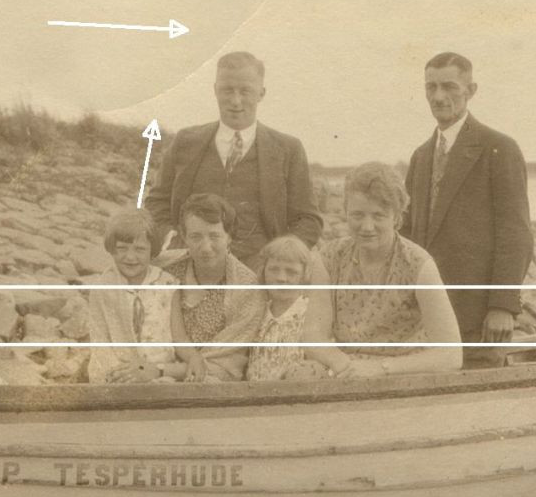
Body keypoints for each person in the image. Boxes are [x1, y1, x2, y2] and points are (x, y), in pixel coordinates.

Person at [400, 51, 534, 346]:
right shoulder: (421, 157)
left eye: (449, 87)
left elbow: (516, 233)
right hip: (426, 311)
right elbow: (407, 235)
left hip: (478, 313)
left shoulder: (498, 148)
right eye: (430, 87)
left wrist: (503, 306)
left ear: (470, 91)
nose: (438, 96)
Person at [144, 52, 323, 271]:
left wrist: (281, 258)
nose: (235, 100)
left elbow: (308, 220)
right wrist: (171, 238)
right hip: (188, 264)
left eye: (245, 91)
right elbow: (156, 202)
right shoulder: (185, 141)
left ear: (261, 93)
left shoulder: (289, 149)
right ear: (215, 90)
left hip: (259, 272)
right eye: (227, 90)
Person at [303, 162, 462, 377]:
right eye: (357, 215)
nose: (367, 227)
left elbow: (451, 355)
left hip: (404, 377)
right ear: (346, 211)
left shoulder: (419, 265)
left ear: (397, 217)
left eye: (378, 216)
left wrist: (379, 369)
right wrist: (343, 364)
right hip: (349, 373)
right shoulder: (329, 258)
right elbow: (313, 337)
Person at [161, 193, 265, 382]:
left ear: (230, 237)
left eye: (215, 236)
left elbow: (227, 362)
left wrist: (161, 371)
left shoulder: (248, 288)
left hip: (213, 380)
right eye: (196, 236)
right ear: (183, 236)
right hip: (157, 369)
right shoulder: (165, 272)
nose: (206, 247)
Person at [85, 209, 185, 384]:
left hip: (160, 369)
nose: (130, 257)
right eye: (122, 249)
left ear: (152, 251)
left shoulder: (168, 284)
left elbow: (179, 337)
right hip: (119, 369)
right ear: (112, 250)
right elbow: (100, 340)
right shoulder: (103, 289)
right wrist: (121, 374)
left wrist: (193, 359)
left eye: (139, 249)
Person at [246, 235, 329, 382]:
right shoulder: (256, 312)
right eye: (274, 270)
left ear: (304, 275)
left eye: (291, 272)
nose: (282, 278)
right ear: (263, 271)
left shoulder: (312, 313)